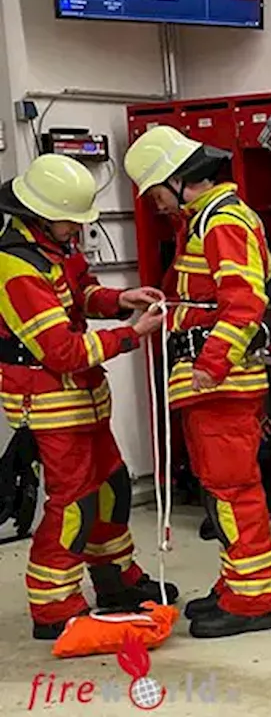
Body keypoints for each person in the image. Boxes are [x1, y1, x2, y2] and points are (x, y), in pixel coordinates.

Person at [0, 154, 178, 639]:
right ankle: (54, 606)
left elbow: (81, 293)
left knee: (111, 487)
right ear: (42, 214)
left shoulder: (54, 247)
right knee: (73, 502)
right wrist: (132, 333)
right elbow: (60, 351)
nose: (76, 228)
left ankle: (116, 579)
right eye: (70, 219)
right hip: (50, 404)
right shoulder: (15, 268)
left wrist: (121, 300)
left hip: (83, 399)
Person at [124, 126, 271, 639]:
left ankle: (252, 601)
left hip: (221, 383)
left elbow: (243, 305)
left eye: (155, 193)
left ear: (176, 179)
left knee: (234, 492)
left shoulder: (222, 222)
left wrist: (210, 365)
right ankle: (236, 584)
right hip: (209, 383)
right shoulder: (205, 221)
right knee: (221, 490)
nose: (154, 204)